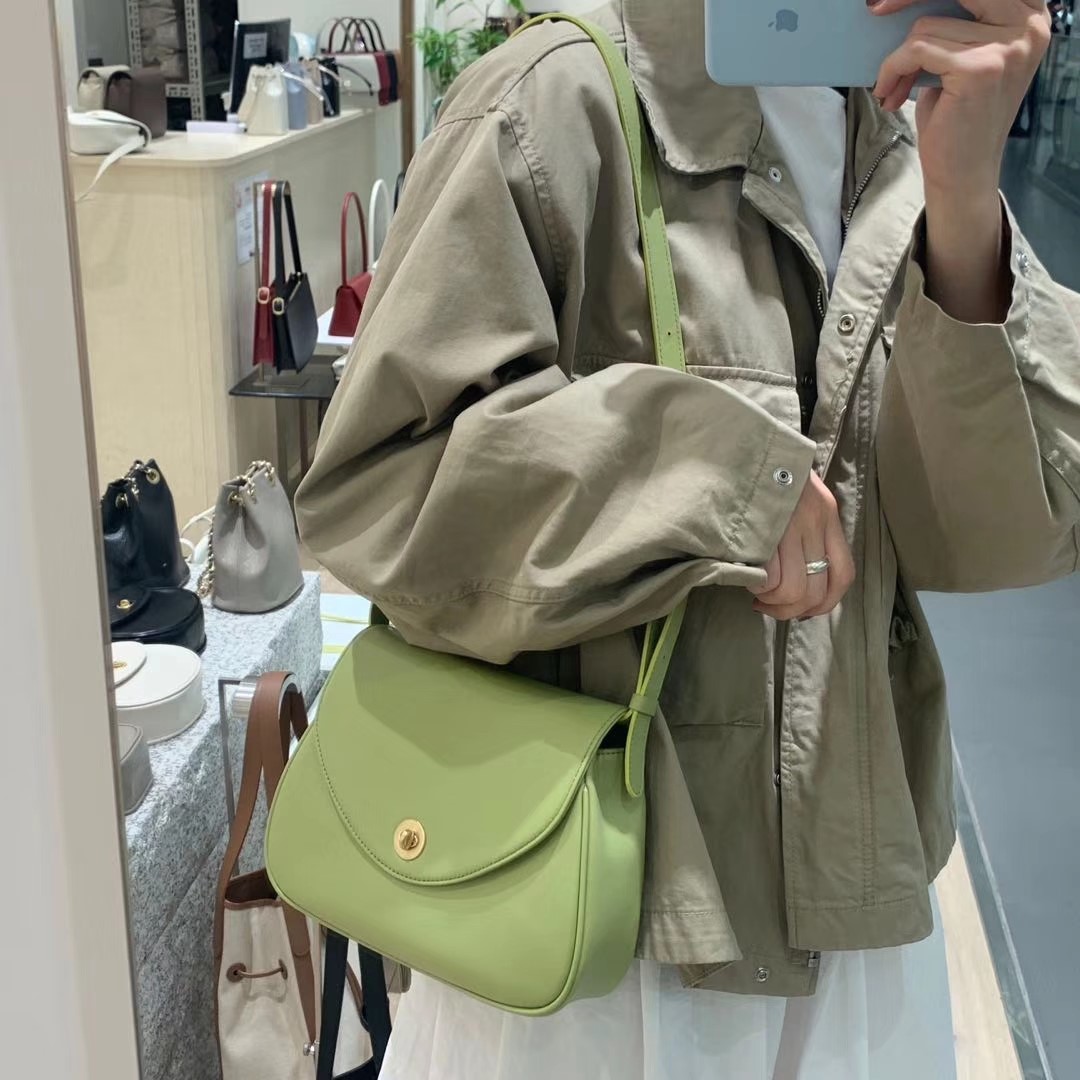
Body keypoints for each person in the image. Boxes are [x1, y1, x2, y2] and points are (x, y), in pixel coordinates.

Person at [296, 0, 1080, 1076]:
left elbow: (1004, 535)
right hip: (597, 929)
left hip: (851, 902)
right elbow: (376, 485)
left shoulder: (904, 134)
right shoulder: (558, 100)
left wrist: (967, 199)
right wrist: (716, 476)